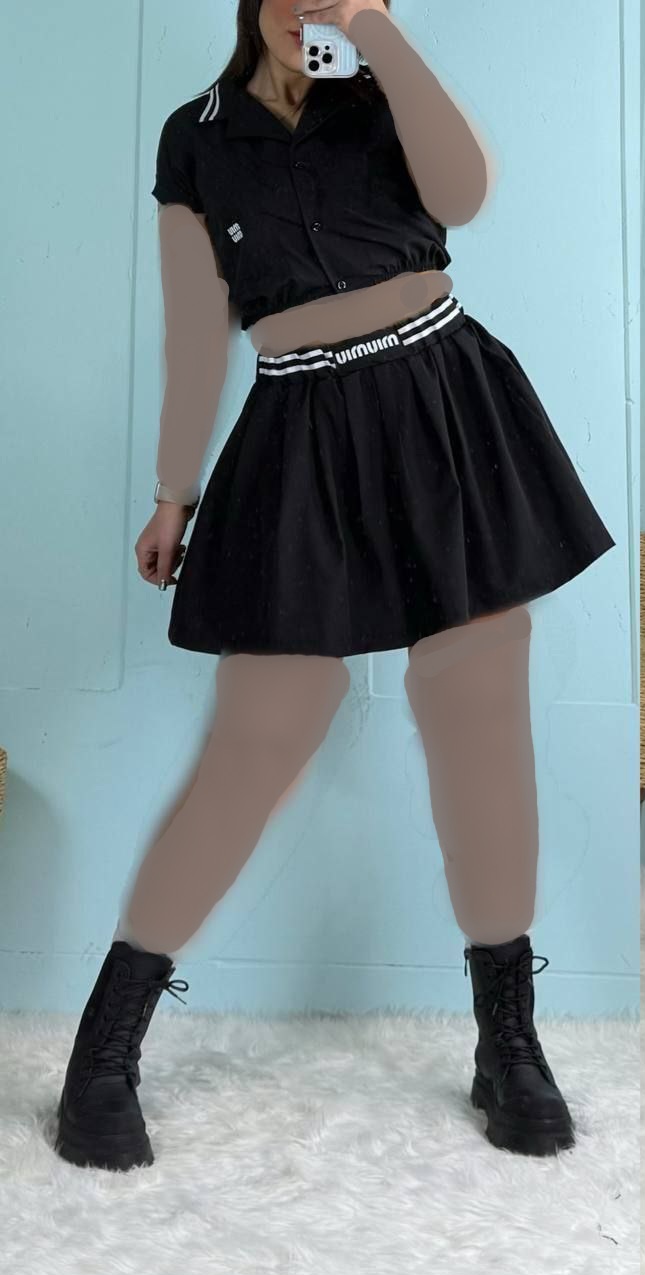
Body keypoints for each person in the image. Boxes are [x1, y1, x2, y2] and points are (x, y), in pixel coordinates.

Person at [54, 0, 615, 1173]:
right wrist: (174, 492)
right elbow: (197, 326)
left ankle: (508, 1039)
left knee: (477, 710)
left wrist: (382, 37)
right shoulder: (196, 135)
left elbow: (465, 195)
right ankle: (105, 1045)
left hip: (442, 404)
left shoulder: (387, 91)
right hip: (299, 430)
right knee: (264, 726)